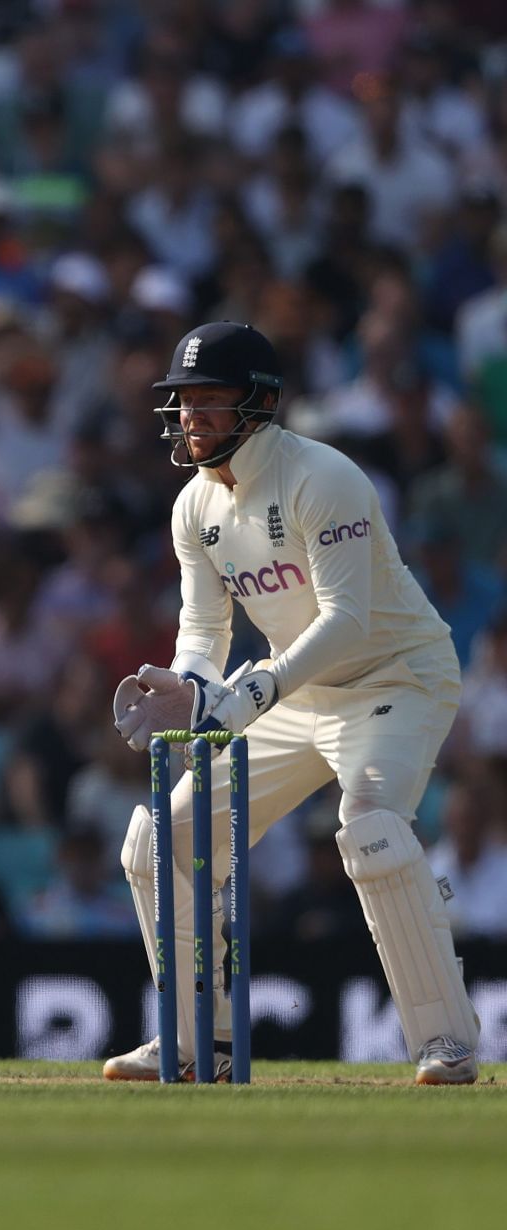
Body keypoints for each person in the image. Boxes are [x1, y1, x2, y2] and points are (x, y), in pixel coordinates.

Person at [109, 321, 478, 1084]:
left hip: (397, 677)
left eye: (210, 400)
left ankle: (447, 1043)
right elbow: (205, 627)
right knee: (159, 842)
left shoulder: (324, 476)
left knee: (371, 825)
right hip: (296, 691)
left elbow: (349, 621)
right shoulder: (193, 507)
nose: (191, 418)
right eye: (183, 402)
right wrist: (189, 684)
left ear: (260, 403)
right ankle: (190, 1041)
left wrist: (247, 693)